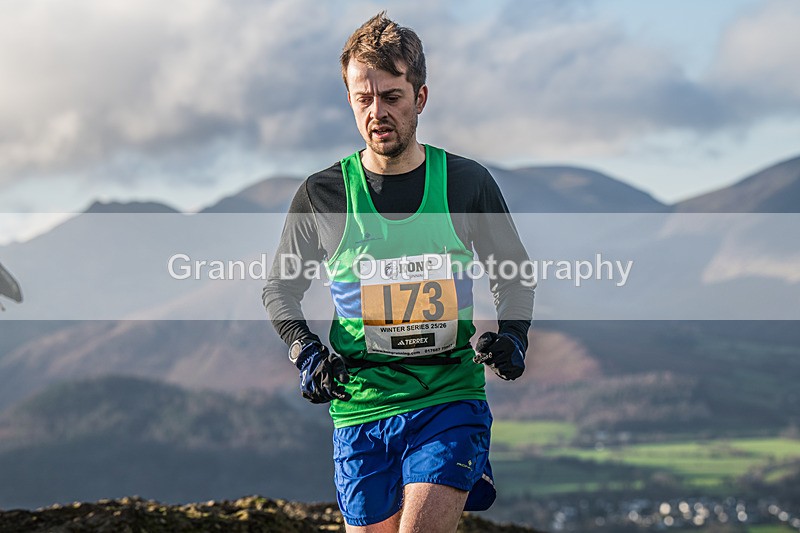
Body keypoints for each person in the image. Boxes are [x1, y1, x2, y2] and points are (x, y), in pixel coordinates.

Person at [263, 12, 534, 533]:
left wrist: (514, 335)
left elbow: (514, 272)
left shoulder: (464, 183)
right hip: (360, 408)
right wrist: (306, 350)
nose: (377, 111)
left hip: (448, 398)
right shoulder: (324, 194)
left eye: (391, 96)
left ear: (421, 98)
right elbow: (280, 288)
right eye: (364, 98)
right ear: (349, 100)